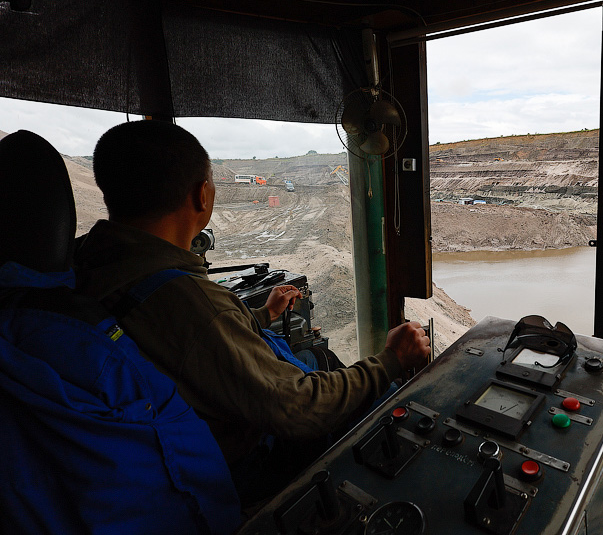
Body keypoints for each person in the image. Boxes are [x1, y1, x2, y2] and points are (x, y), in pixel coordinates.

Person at [73, 119, 430, 503]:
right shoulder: (193, 302)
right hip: (233, 462)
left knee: (318, 355)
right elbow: (296, 407)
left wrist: (261, 316)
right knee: (383, 399)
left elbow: (185, 341)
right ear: (202, 196)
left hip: (152, 442)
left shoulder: (85, 261)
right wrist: (391, 359)